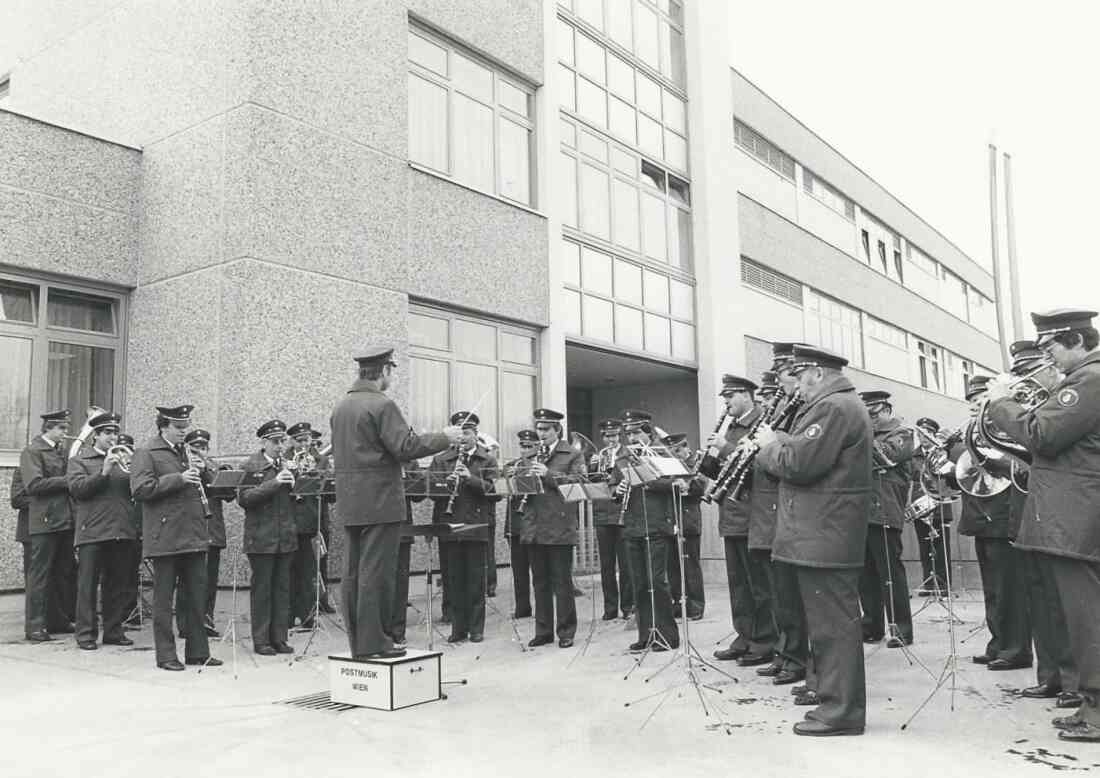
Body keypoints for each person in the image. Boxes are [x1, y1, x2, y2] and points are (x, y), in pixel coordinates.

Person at [986, 308, 1100, 741]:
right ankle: (1090, 704)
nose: (1047, 355)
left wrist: (1000, 403)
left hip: (1077, 518)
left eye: (1051, 346)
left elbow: (1042, 435)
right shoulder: (1082, 379)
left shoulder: (1089, 380)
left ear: (1074, 339)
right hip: (1072, 516)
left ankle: (1097, 712)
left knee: (1088, 619)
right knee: (1081, 616)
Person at [756, 344, 871, 737]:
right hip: (826, 533)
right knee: (829, 628)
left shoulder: (832, 407)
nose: (796, 388)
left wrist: (769, 446)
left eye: (799, 377)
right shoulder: (838, 405)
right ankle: (835, 704)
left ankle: (840, 713)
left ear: (817, 373)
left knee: (833, 629)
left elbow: (799, 465)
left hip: (824, 534)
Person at [330, 344, 460, 660]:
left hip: (351, 503)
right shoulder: (382, 405)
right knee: (377, 574)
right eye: (392, 372)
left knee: (354, 574)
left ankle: (359, 644)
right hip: (381, 502)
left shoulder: (341, 407)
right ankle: (376, 644)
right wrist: (444, 437)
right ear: (385, 370)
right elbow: (405, 446)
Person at [1005, 341, 1080, 708]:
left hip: (1061, 511)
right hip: (1033, 507)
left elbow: (1042, 439)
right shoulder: (1046, 406)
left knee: (1065, 603)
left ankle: (1073, 683)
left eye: (1035, 371)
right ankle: (1050, 676)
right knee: (1040, 598)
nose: (1028, 381)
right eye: (1020, 374)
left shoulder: (1070, 402)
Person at [949, 377, 1032, 671]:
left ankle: (1016, 649)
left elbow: (1006, 467)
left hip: (1002, 516)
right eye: (971, 400)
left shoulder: (1001, 431)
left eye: (980, 398)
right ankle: (998, 644)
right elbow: (966, 472)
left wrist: (963, 452)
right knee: (993, 589)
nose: (974, 404)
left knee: (1009, 588)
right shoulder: (974, 430)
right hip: (981, 518)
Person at [130, 405, 222, 671]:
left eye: (186, 427)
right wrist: (178, 478)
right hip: (166, 535)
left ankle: (198, 652)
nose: (184, 432)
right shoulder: (146, 452)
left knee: (196, 596)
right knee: (163, 600)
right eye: (179, 428)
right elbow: (140, 489)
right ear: (164, 426)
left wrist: (204, 471)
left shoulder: (187, 452)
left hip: (192, 533)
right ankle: (167, 655)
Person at [709, 374, 775, 666]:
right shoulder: (732, 426)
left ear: (747, 395)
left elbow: (753, 465)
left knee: (758, 583)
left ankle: (764, 641)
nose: (725, 403)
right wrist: (709, 459)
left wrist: (724, 448)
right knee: (738, 585)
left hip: (752, 514)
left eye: (729, 397)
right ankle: (744, 636)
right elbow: (723, 471)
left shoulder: (761, 422)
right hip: (731, 514)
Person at [67, 412, 136, 650]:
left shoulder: (125, 461)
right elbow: (78, 490)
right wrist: (104, 471)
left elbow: (137, 491)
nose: (112, 437)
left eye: (115, 432)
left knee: (117, 585)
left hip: (121, 529)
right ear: (95, 436)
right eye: (107, 433)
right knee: (87, 586)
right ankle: (85, 635)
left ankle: (114, 632)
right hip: (92, 532)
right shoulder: (80, 461)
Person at [613, 409, 679, 653]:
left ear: (647, 431)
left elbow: (674, 482)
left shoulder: (661, 453)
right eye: (628, 434)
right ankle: (645, 634)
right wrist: (617, 491)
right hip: (632, 525)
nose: (631, 438)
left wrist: (646, 477)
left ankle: (666, 635)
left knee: (656, 582)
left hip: (656, 524)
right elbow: (613, 485)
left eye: (635, 432)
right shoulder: (624, 457)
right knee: (639, 583)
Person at [429, 412, 497, 643]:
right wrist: (443, 484)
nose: (463, 438)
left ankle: (476, 629)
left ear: (476, 435)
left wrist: (470, 478)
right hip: (448, 525)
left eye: (467, 433)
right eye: (459, 434)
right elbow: (427, 490)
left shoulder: (487, 460)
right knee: (454, 580)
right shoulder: (441, 460)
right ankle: (458, 629)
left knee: (475, 580)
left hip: (475, 525)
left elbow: (495, 492)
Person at [520, 408, 585, 648]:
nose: (541, 433)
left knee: (562, 583)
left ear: (557, 429)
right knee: (540, 582)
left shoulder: (572, 455)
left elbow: (579, 483)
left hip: (559, 527)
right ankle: (543, 630)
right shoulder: (532, 454)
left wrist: (549, 474)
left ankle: (566, 631)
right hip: (534, 526)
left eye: (545, 429)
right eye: (538, 429)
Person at [857, 390, 916, 648]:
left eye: (873, 413)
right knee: (864, 573)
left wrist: (862, 429)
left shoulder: (902, 434)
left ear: (886, 410)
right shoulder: (864, 435)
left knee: (890, 572)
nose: (869, 419)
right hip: (860, 512)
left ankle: (901, 628)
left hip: (885, 510)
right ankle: (871, 625)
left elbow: (886, 457)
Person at [238, 420, 299, 656]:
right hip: (261, 538)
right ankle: (262, 640)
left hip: (285, 536)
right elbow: (244, 498)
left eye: (283, 441)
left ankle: (280, 638)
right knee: (262, 591)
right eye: (275, 442)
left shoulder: (286, 464)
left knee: (283, 590)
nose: (280, 446)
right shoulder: (252, 465)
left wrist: (297, 484)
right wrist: (275, 483)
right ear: (263, 442)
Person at [21, 409, 76, 642]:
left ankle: (57, 620)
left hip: (63, 520)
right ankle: (35, 625)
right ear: (49, 428)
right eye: (62, 429)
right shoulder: (33, 451)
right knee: (40, 576)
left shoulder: (58, 451)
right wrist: (68, 480)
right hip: (45, 521)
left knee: (62, 573)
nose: (65, 433)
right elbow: (34, 485)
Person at [177, 428, 232, 638]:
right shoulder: (182, 467)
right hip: (190, 530)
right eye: (196, 447)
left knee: (209, 581)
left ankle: (205, 621)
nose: (200, 451)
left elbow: (228, 494)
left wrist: (207, 471)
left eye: (203, 447)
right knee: (187, 580)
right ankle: (185, 624)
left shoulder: (211, 468)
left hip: (213, 530)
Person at [589, 418, 632, 620]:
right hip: (602, 513)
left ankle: (628, 606)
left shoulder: (627, 454)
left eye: (614, 435)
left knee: (625, 564)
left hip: (622, 511)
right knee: (606, 565)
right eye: (607, 436)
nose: (610, 439)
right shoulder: (598, 456)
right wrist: (593, 469)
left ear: (619, 435)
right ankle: (610, 608)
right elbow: (591, 483)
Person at [663, 433, 706, 621]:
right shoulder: (669, 466)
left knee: (691, 566)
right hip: (671, 519)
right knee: (673, 567)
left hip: (688, 521)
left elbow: (702, 488)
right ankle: (678, 604)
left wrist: (687, 487)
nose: (676, 455)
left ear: (684, 448)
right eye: (672, 452)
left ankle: (696, 606)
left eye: (678, 451)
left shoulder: (698, 462)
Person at [911, 416, 953, 595]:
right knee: (924, 546)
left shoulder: (943, 452)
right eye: (920, 433)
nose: (923, 437)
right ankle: (928, 584)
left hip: (940, 505)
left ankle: (944, 585)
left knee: (941, 546)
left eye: (927, 433)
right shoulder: (912, 455)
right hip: (920, 505)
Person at [286, 421, 321, 629]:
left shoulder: (319, 459)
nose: (303, 444)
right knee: (288, 572)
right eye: (298, 440)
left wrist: (314, 471)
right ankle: (288, 616)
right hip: (288, 520)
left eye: (306, 440)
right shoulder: (285, 458)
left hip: (309, 520)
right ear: (292, 441)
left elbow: (328, 490)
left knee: (308, 571)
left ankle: (307, 616)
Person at [503, 429, 538, 619]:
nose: (524, 450)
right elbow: (500, 491)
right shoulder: (511, 465)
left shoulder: (540, 466)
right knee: (519, 570)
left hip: (534, 525)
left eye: (528, 446)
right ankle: (522, 607)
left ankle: (541, 607)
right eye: (522, 446)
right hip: (515, 524)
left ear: (537, 446)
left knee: (538, 570)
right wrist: (509, 478)